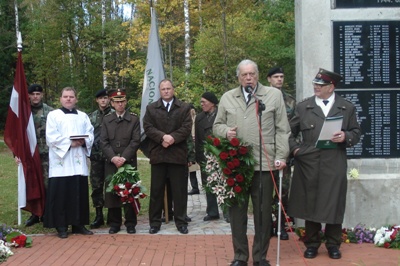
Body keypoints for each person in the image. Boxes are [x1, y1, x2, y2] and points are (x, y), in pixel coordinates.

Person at [213, 59, 290, 266]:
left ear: (258, 75)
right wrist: (225, 132)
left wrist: (281, 156)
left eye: (252, 74)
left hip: (264, 164)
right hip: (236, 164)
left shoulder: (273, 95)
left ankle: (259, 257)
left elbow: (283, 129)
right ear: (238, 77)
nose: (249, 78)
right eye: (244, 75)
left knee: (263, 215)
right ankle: (240, 256)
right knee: (237, 213)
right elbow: (216, 125)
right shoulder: (228, 97)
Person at [288, 68, 361, 260]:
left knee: (334, 201)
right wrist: (295, 150)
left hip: (334, 159)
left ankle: (333, 244)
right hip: (309, 161)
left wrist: (346, 136)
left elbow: (356, 132)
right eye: (315, 84)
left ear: (331, 87)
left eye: (320, 85)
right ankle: (311, 243)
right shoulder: (304, 107)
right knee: (310, 201)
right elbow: (288, 132)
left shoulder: (346, 107)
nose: (316, 87)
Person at [143, 79, 192, 235]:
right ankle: (155, 222)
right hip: (159, 154)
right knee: (156, 191)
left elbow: (186, 127)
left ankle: (181, 221)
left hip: (177, 155)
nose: (166, 91)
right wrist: (162, 137)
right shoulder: (151, 108)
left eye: (168, 88)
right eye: (163, 89)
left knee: (179, 191)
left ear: (173, 89)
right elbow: (148, 127)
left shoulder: (184, 108)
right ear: (159, 91)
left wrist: (172, 138)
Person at [44, 87, 94, 239]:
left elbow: (90, 133)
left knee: (78, 192)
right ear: (60, 99)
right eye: (65, 96)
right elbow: (51, 136)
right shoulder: (53, 115)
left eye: (71, 97)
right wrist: (69, 143)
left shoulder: (83, 116)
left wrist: (84, 141)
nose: (68, 99)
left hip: (78, 161)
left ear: (76, 99)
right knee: (61, 193)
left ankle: (78, 224)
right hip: (62, 162)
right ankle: (61, 225)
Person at [100, 88, 141, 234]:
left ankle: (130, 223)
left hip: (128, 162)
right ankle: (115, 223)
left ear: (126, 101)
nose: (120, 104)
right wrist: (113, 158)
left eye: (122, 101)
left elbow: (136, 141)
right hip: (112, 162)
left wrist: (124, 158)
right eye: (117, 102)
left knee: (130, 191)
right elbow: (103, 141)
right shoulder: (106, 120)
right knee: (112, 192)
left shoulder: (134, 119)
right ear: (112, 103)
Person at [16, 84, 54, 227]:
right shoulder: (24, 113)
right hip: (30, 157)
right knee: (32, 185)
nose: (36, 96)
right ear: (29, 96)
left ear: (42, 95)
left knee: (47, 184)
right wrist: (17, 153)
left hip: (47, 155)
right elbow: (18, 135)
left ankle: (46, 212)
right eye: (33, 94)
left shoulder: (50, 112)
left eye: (38, 94)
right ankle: (35, 213)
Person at [267, 67, 296, 240]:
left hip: (283, 152)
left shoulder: (290, 101)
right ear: (269, 79)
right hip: (265, 151)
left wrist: (292, 150)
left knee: (282, 191)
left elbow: (294, 128)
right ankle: (265, 225)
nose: (279, 80)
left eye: (282, 77)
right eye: (276, 77)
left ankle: (280, 225)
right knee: (264, 191)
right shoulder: (260, 98)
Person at [195, 91, 229, 223]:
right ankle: (212, 211)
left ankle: (227, 211)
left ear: (213, 103)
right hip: (205, 156)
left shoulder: (223, 115)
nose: (202, 104)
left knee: (224, 183)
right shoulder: (199, 118)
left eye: (204, 102)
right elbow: (198, 139)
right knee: (208, 184)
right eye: (201, 102)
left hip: (221, 155)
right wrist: (198, 157)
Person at [88, 88, 114, 229]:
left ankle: (112, 213)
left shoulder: (115, 115)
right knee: (96, 185)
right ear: (97, 100)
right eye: (100, 98)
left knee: (111, 185)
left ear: (109, 99)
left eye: (105, 98)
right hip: (96, 156)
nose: (103, 100)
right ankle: (99, 215)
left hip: (111, 157)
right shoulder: (90, 117)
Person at [188, 104, 200, 195]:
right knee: (190, 169)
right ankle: (194, 187)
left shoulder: (197, 119)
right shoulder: (187, 120)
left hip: (195, 147)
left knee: (192, 169)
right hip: (189, 146)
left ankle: (195, 187)